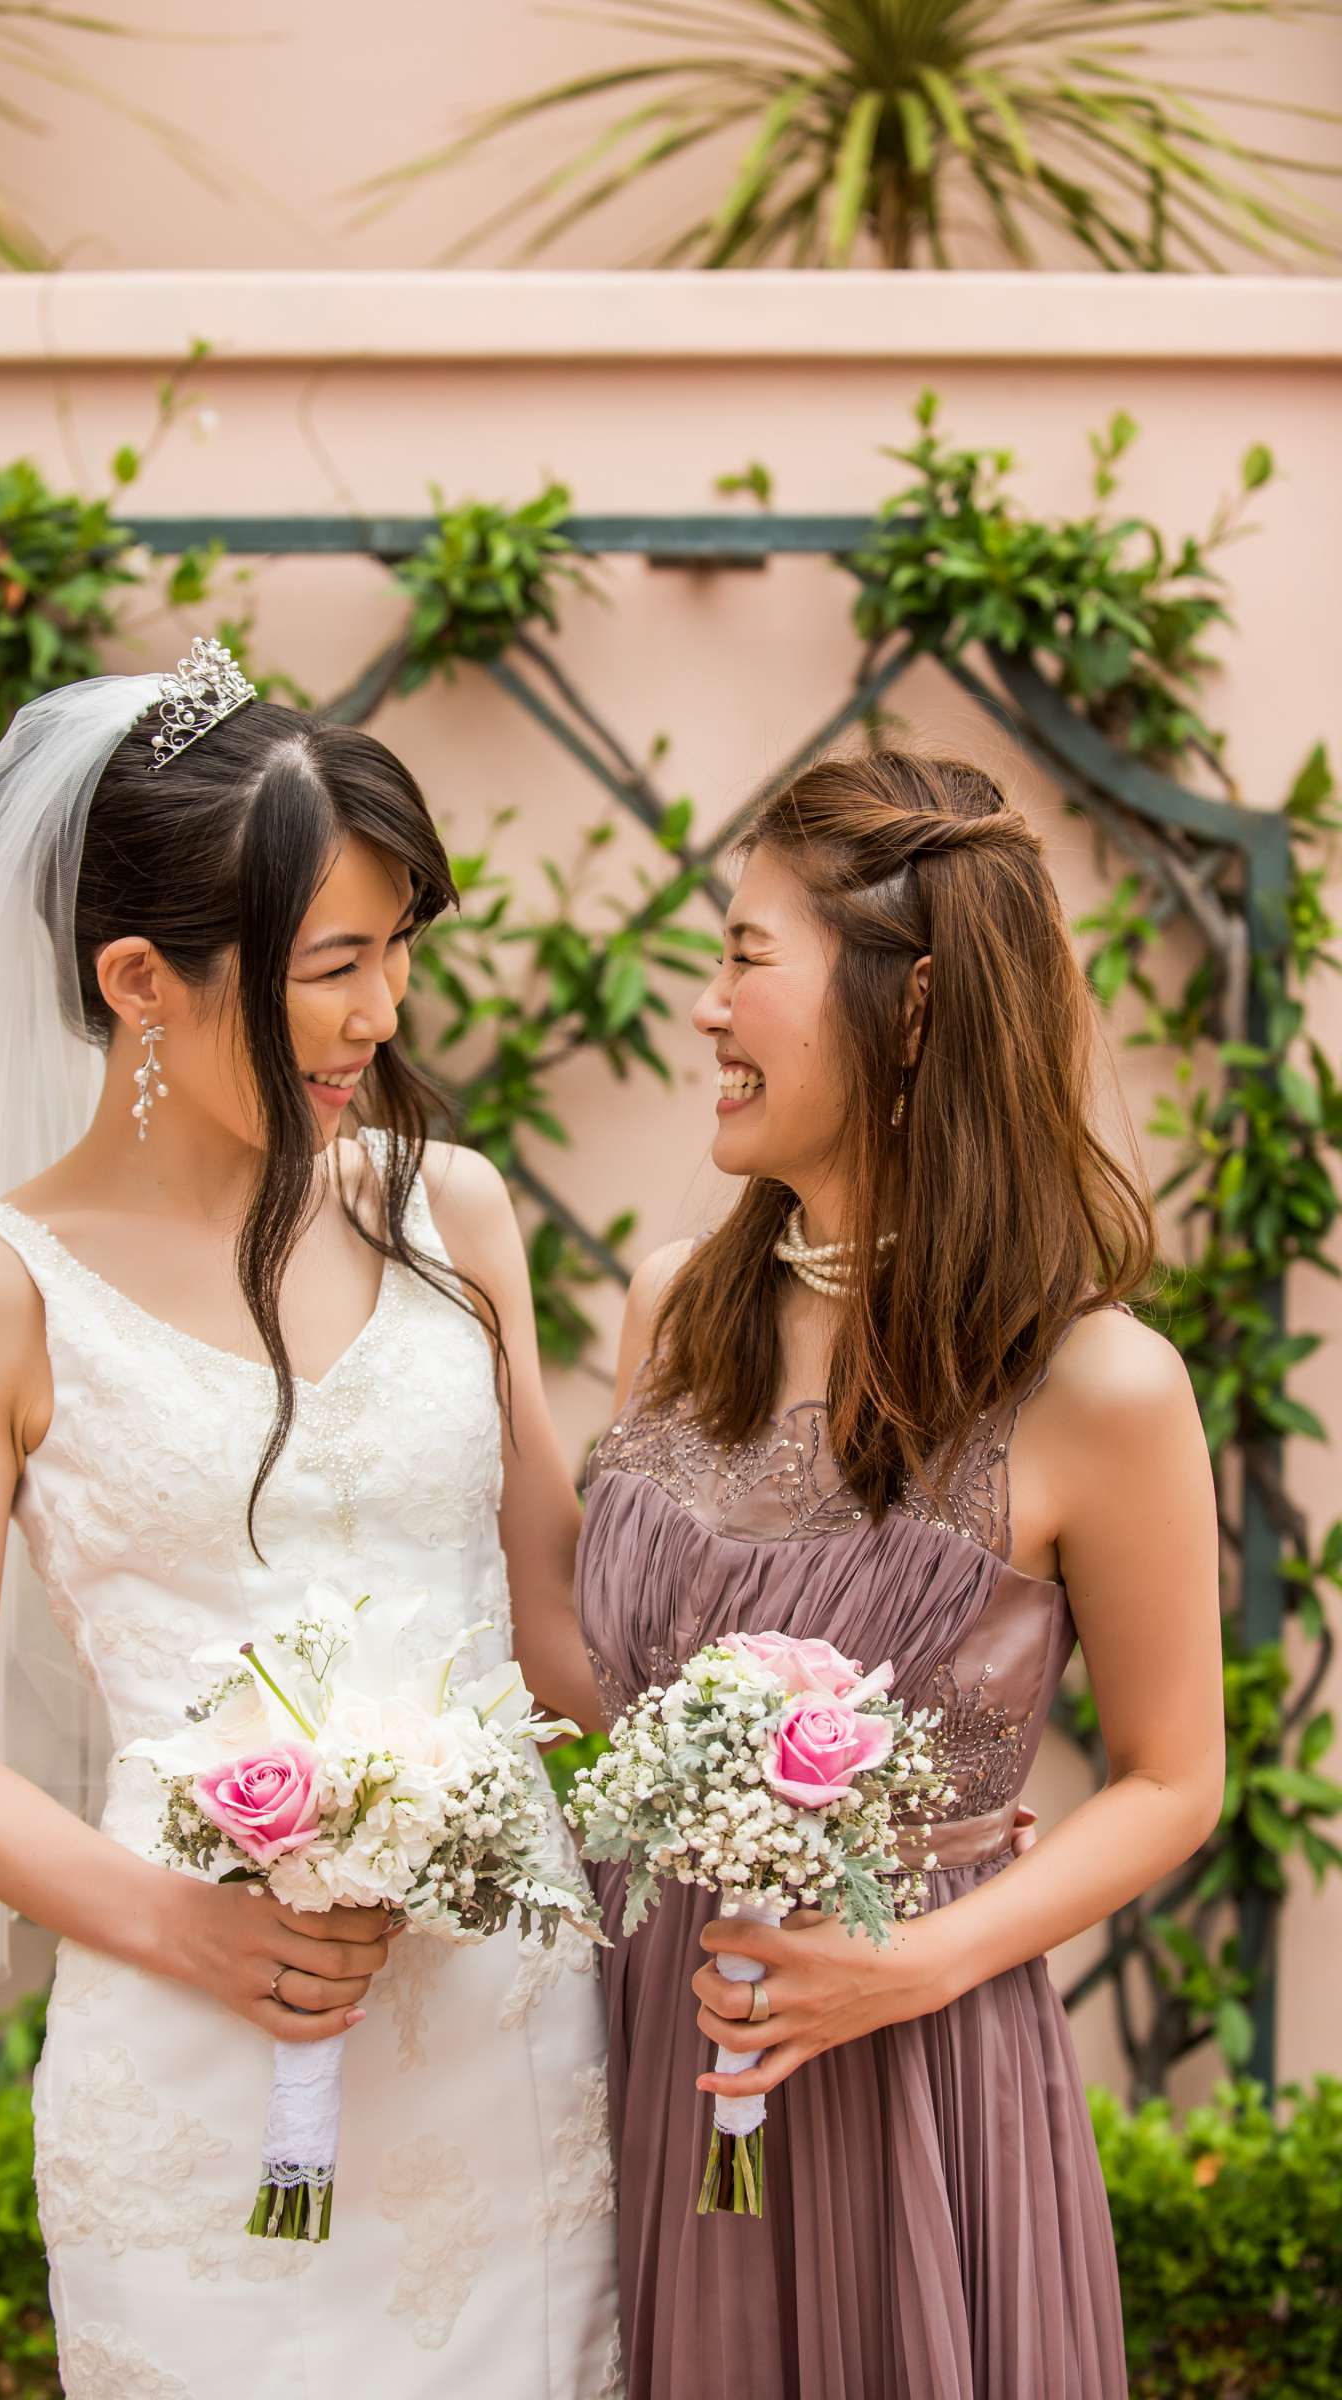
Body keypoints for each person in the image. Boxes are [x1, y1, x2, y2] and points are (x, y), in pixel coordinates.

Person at [0, 642, 618, 2399]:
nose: (384, 1012)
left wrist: (760, 1793)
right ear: (141, 980)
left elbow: (558, 1623)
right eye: (333, 965)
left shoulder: (451, 1215)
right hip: (190, 2035)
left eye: (400, 951)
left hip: (500, 2023)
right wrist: (189, 1929)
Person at [575, 751, 1224, 2400]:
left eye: (745, 958)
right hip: (652, 2031)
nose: (708, 1012)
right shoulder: (674, 1313)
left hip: (920, 2070)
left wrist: (910, 1966)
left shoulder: (1101, 1388)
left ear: (913, 1006)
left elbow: (1172, 1779)